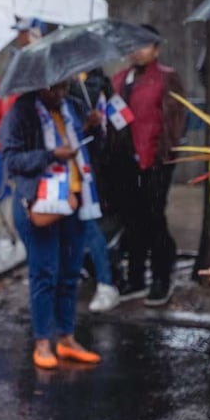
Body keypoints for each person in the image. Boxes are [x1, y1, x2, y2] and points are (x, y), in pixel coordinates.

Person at [0, 79, 103, 369]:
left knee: (70, 273)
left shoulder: (75, 107)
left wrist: (94, 128)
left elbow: (93, 151)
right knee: (44, 272)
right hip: (40, 202)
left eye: (64, 88)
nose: (59, 94)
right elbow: (12, 159)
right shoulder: (22, 111)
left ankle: (66, 338)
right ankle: (42, 341)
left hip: (75, 200)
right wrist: (51, 155)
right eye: (53, 88)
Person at [110, 25, 186, 306]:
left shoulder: (166, 78)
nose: (137, 51)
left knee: (154, 218)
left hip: (154, 161)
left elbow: (174, 122)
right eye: (133, 45)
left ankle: (162, 277)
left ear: (156, 48)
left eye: (144, 45)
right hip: (124, 163)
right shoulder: (119, 79)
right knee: (132, 220)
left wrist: (162, 159)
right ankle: (136, 277)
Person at [69, 68, 120, 312]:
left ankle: (106, 282)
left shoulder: (90, 90)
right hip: (60, 177)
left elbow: (118, 121)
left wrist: (89, 125)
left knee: (90, 227)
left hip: (85, 171)